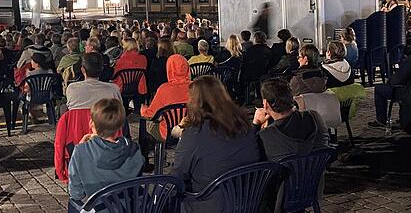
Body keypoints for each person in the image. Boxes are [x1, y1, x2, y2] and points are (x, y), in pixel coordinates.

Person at [172, 76, 262, 213]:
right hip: (248, 198)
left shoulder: (194, 134)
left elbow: (178, 176)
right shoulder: (245, 124)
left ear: (195, 101)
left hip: (210, 204)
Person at [67, 98, 144, 209]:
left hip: (101, 208)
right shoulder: (134, 148)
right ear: (120, 125)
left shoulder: (81, 151)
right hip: (130, 206)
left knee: (73, 204)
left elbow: (76, 193)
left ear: (91, 123)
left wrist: (81, 147)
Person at [253, 78, 329, 161]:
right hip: (317, 171)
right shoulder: (315, 117)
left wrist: (256, 124)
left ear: (265, 104)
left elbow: (251, 156)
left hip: (286, 174)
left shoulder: (266, 135)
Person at [139, 54, 191, 164]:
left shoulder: (164, 89)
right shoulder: (196, 87)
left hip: (168, 133)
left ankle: (146, 161)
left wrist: (143, 109)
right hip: (191, 130)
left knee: (144, 123)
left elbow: (150, 115)